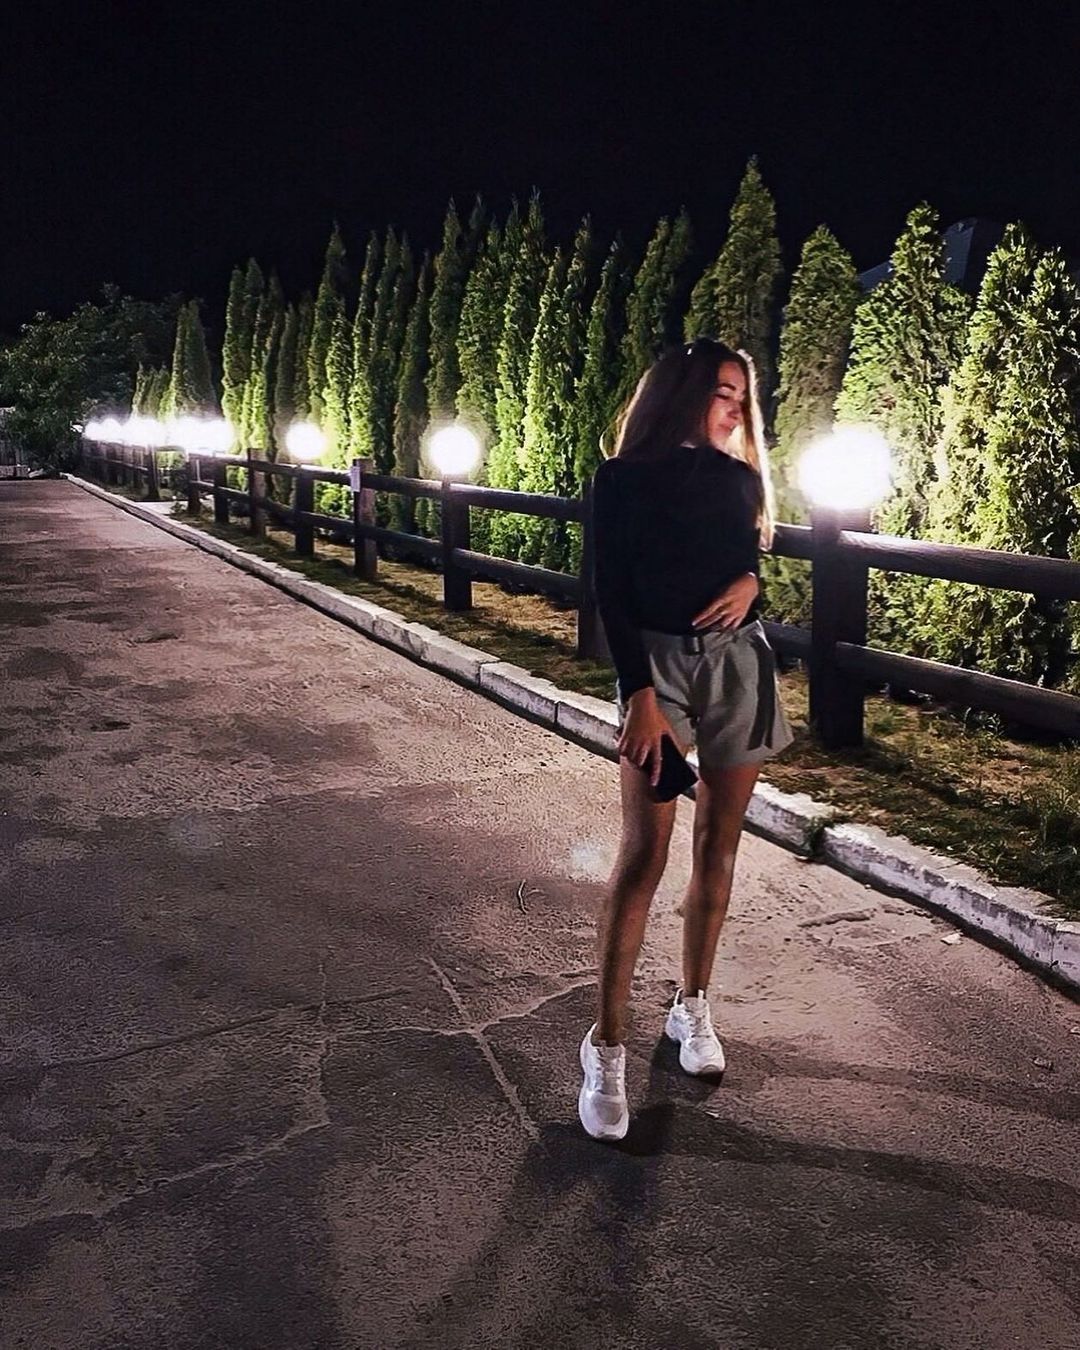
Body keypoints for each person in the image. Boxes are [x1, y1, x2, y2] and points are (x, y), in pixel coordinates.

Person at [578, 337, 794, 1142]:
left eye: (742, 397)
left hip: (737, 665)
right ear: (681, 393)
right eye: (721, 393)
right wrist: (638, 695)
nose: (735, 409)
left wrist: (752, 579)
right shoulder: (621, 478)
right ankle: (605, 1046)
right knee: (644, 854)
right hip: (658, 671)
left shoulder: (740, 480)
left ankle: (692, 1006)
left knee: (720, 848)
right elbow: (611, 591)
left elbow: (739, 565)